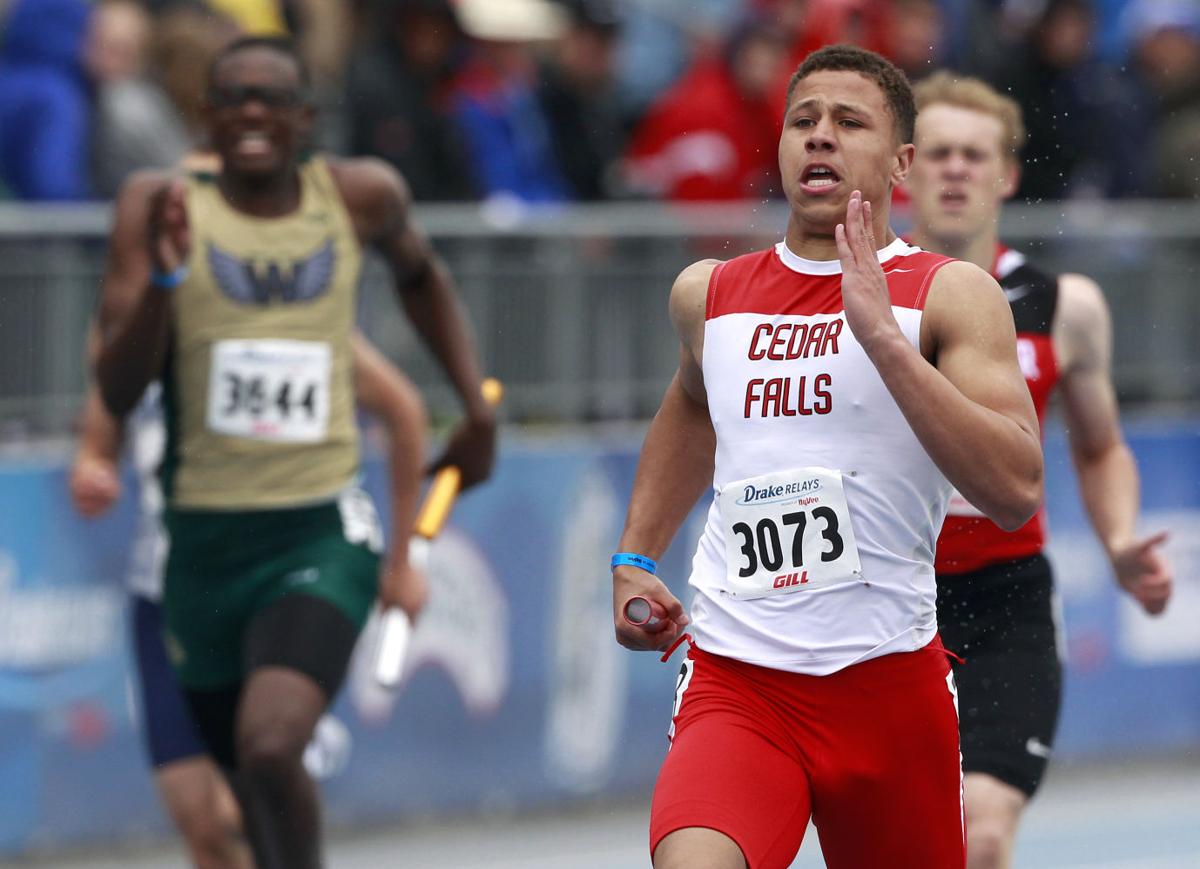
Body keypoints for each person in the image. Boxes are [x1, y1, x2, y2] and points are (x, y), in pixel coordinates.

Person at [612, 44, 1043, 869]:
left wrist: (884, 340)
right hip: (739, 680)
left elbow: (1016, 487)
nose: (819, 138)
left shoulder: (948, 293)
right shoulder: (710, 293)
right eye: (802, 122)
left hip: (887, 685)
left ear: (901, 162)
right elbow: (692, 409)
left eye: (849, 123)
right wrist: (634, 554)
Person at [91, 36, 496, 868]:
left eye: (270, 98)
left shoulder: (356, 197)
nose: (250, 112)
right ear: (205, 116)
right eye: (232, 95)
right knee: (241, 788)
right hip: (199, 547)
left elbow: (421, 277)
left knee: (272, 743)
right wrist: (167, 285)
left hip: (317, 534)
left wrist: (473, 399)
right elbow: (120, 384)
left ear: (305, 119)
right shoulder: (157, 205)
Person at [905, 71, 1174, 869]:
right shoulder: (860, 297)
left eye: (974, 155)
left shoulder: (1066, 305)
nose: (956, 170)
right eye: (940, 153)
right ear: (906, 170)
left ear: (1007, 175)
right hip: (887, 597)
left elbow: (1098, 445)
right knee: (906, 839)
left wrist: (1120, 536)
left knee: (981, 831)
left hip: (1004, 600)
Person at [69, 333, 426, 869]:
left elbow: (402, 407)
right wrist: (94, 468)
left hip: (273, 578)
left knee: (261, 775)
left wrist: (400, 561)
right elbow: (101, 428)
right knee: (204, 824)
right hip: (169, 593)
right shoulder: (143, 323)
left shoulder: (292, 317)